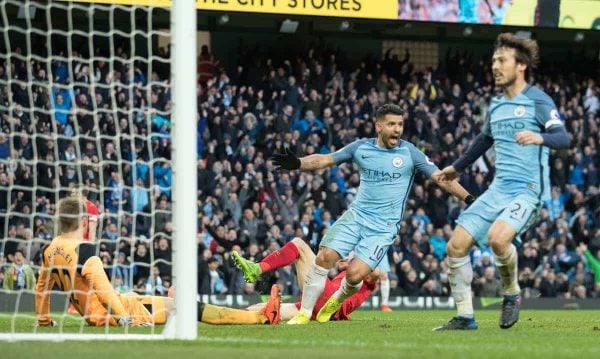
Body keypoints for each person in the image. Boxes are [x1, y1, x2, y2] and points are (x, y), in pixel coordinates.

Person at [270, 104, 474, 324]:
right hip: (357, 216)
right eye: (391, 124)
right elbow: (326, 159)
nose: (397, 129)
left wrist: (469, 199)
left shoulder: (410, 153)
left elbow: (441, 178)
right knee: (324, 257)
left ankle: (337, 300)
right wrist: (299, 163)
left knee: (355, 275)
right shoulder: (361, 148)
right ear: (378, 126)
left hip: (383, 227)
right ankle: (304, 313)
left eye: (400, 124)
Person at [434, 33, 570, 331]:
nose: (495, 66)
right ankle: (466, 316)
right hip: (498, 189)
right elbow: (484, 140)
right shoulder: (496, 106)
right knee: (455, 246)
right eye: (494, 60)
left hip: (528, 191)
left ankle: (511, 294)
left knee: (498, 238)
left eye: (502, 60)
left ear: (520, 66)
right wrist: (456, 168)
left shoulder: (537, 100)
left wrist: (540, 137)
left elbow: (564, 137)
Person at [34, 196, 281, 327]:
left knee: (171, 300)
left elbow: (41, 289)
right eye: (96, 221)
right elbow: (104, 291)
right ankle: (261, 317)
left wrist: (44, 320)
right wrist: (123, 318)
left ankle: (257, 312)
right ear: (85, 221)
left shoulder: (50, 249)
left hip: (105, 311)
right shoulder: (84, 251)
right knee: (187, 308)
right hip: (116, 313)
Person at [232, 237, 379, 322]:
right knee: (265, 309)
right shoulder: (350, 276)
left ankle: (257, 269)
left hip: (327, 299)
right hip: (320, 310)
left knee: (299, 244)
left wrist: (354, 261)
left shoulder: (366, 276)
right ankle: (232, 315)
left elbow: (377, 273)